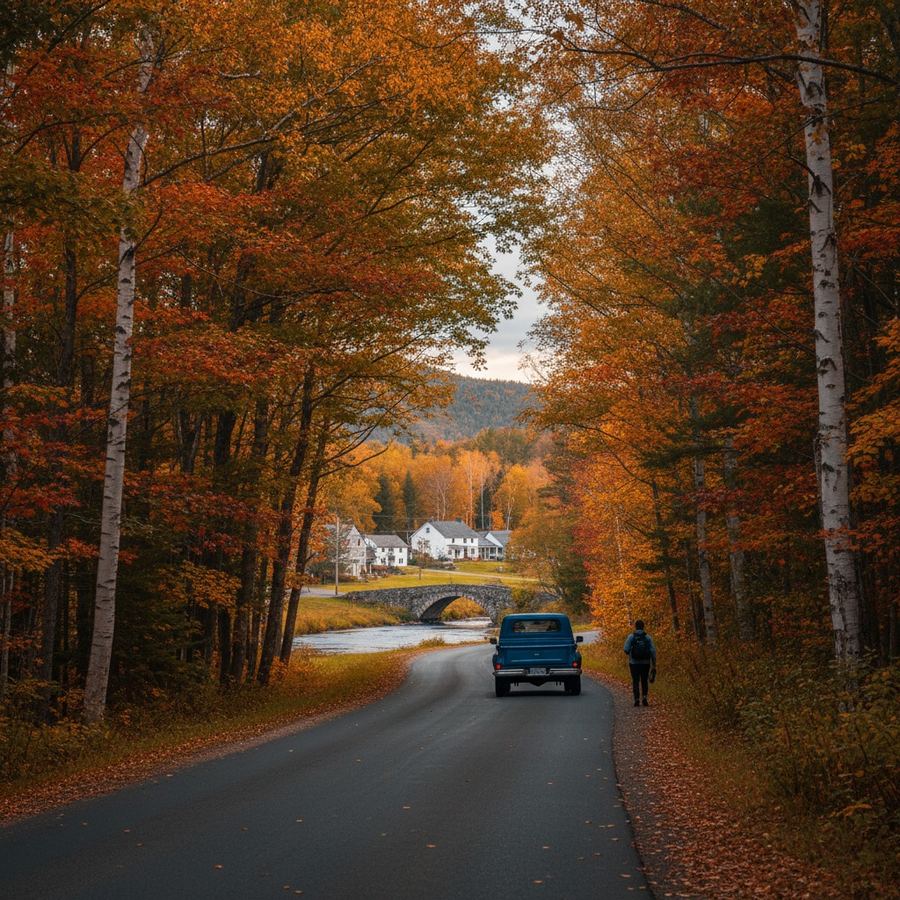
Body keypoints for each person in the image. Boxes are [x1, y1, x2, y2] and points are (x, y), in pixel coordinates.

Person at [623, 620, 657, 707]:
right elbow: (653, 651)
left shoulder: (631, 637)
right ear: (643, 626)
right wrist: (654, 664)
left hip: (633, 663)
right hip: (646, 663)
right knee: (644, 680)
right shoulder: (648, 637)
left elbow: (626, 649)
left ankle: (636, 699)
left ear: (635, 627)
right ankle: (644, 697)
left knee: (635, 681)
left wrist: (631, 652)